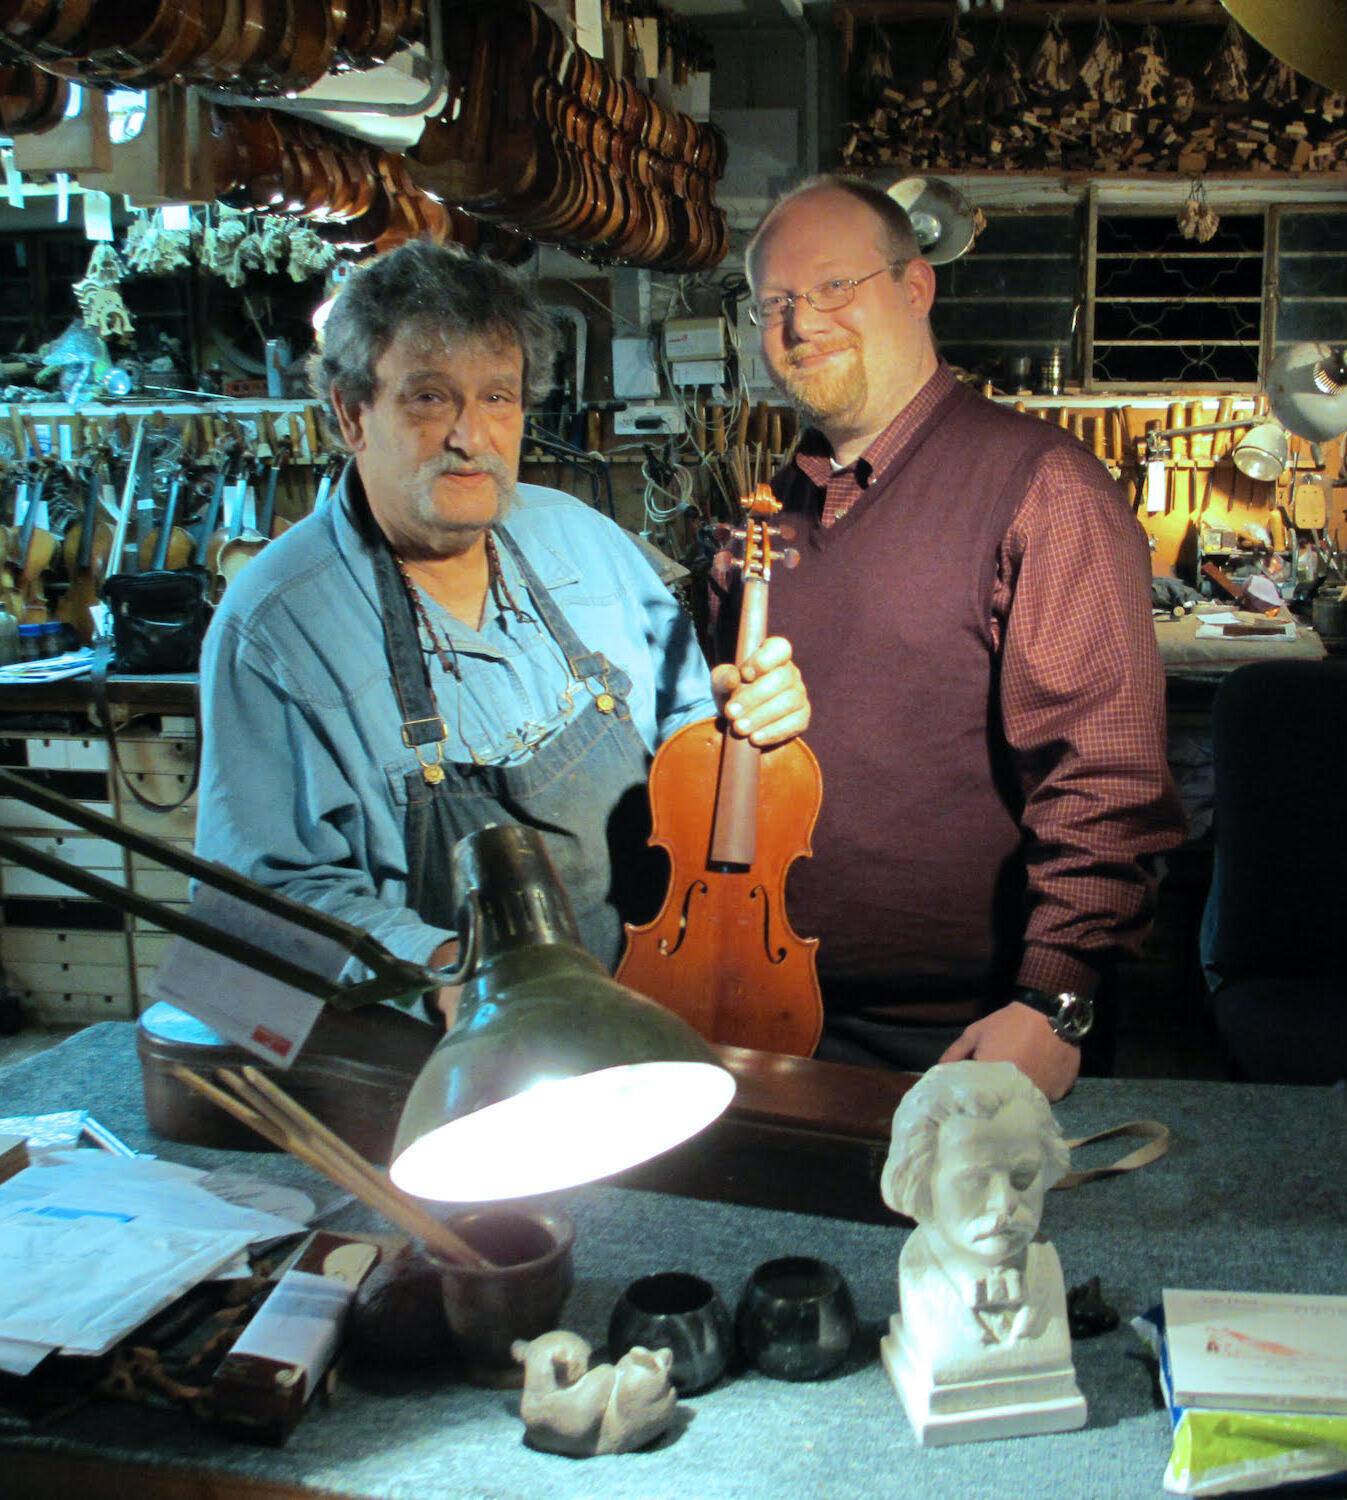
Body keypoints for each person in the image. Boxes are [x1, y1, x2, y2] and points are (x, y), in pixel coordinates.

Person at [195, 243, 808, 1017]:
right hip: (455, 1051)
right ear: (351, 413)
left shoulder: (587, 544)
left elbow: (695, 742)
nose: (471, 436)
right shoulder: (274, 629)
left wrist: (742, 722)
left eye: (497, 397)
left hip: (659, 1001)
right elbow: (264, 900)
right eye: (428, 398)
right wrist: (452, 970)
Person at [728, 175, 1186, 1100]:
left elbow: (1103, 774)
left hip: (968, 1033)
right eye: (774, 301)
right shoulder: (778, 507)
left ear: (914, 287)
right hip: (767, 1002)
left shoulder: (1039, 487)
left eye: (832, 288)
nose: (800, 324)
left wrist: (1053, 997)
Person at [879, 1061, 1082, 1414]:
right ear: (921, 1179)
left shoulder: (1047, 1267)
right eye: (974, 1181)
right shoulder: (919, 1274)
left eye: (1024, 1175)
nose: (1005, 1204)